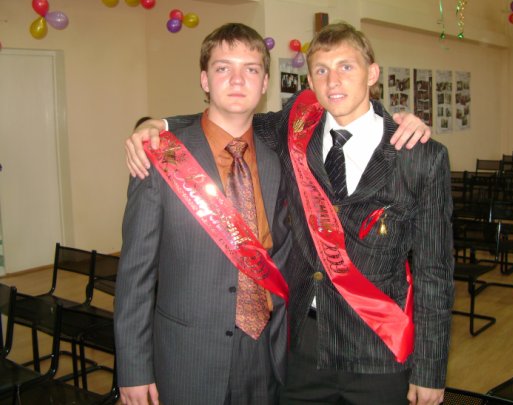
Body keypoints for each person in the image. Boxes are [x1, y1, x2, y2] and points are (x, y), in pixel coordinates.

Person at [126, 22, 453, 405]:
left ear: (373, 73)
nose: (333, 80)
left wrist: (430, 370)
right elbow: (230, 116)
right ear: (310, 82)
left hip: (379, 353)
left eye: (347, 66)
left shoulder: (419, 156)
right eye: (321, 70)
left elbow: (435, 272)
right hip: (300, 351)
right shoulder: (293, 133)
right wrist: (155, 126)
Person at [114, 23, 292, 405]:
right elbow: (135, 274)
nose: (238, 80)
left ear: (264, 83)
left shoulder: (276, 160)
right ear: (205, 80)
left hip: (266, 354)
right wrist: (133, 368)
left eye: (251, 69)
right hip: (188, 357)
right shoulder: (161, 157)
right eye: (223, 67)